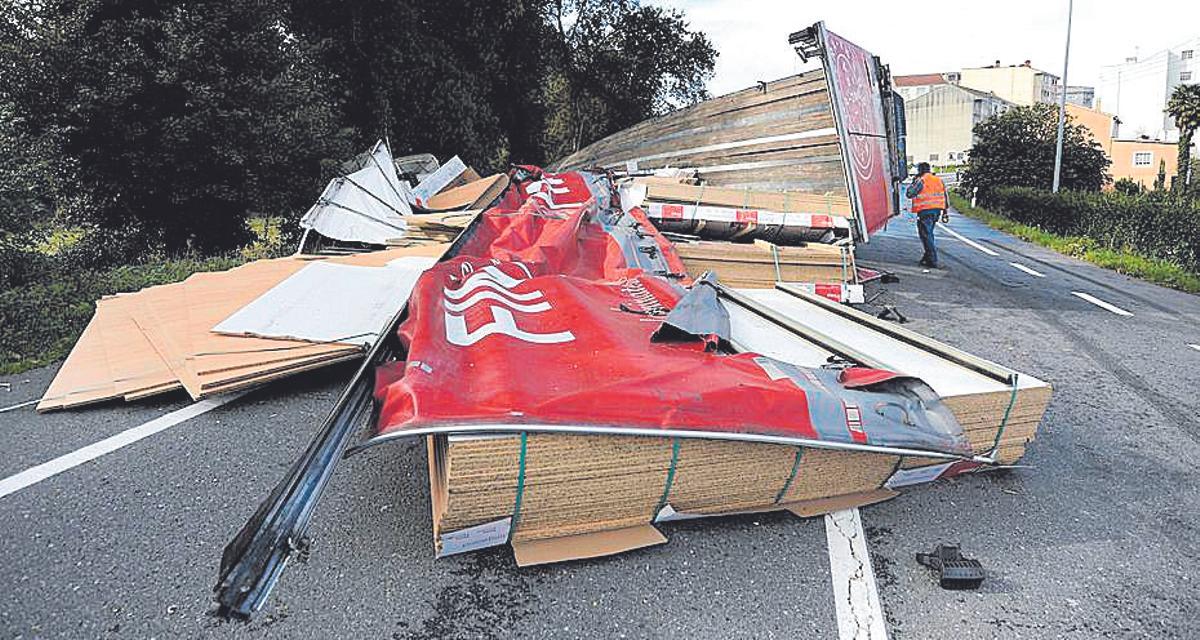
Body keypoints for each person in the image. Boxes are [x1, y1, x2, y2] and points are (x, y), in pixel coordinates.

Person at [906, 162, 948, 268]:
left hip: (925, 210)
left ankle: (932, 260)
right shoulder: (938, 180)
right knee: (929, 234)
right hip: (936, 211)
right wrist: (945, 212)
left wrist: (913, 182)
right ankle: (927, 257)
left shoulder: (921, 180)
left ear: (920, 170)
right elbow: (945, 196)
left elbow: (910, 193)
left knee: (926, 235)